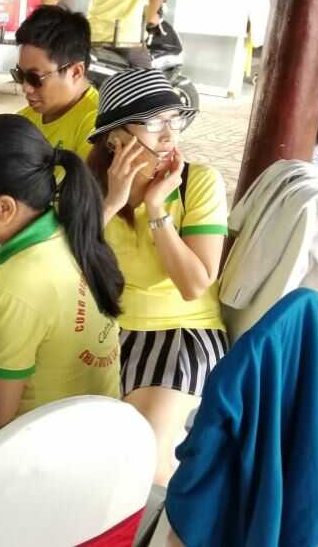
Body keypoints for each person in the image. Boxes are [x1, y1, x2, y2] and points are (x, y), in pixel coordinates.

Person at [86, 68, 227, 485]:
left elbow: (194, 284)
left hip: (182, 333)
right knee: (77, 442)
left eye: (174, 120)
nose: (168, 136)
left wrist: (156, 208)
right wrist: (112, 203)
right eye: (152, 122)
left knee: (146, 456)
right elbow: (67, 264)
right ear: (115, 139)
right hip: (105, 331)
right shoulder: (89, 187)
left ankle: (158, 520)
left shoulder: (198, 183)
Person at [0, 114, 124, 430]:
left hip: (42, 448)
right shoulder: (68, 228)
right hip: (99, 433)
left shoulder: (15, 285)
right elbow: (48, 306)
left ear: (4, 208)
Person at [14, 5, 100, 160]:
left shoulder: (97, 130)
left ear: (75, 72)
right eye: (20, 75)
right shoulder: (24, 120)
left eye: (34, 78)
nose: (25, 88)